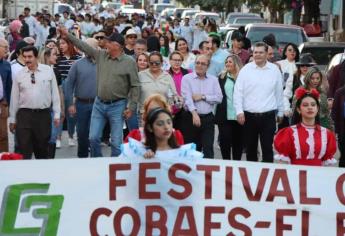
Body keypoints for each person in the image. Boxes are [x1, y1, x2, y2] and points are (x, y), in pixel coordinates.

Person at [58, 27, 140, 157]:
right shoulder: (101, 55)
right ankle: (99, 163)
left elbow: (135, 86)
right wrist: (68, 35)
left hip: (118, 105)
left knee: (116, 142)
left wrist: (131, 107)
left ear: (117, 46)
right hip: (99, 104)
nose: (105, 44)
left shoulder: (129, 62)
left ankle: (115, 168)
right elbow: (83, 46)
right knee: (93, 138)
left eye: (108, 43)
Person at [233, 42, 284, 163]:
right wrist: (239, 112)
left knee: (267, 149)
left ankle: (268, 177)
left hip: (268, 116)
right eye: (255, 52)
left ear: (267, 54)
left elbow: (279, 93)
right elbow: (238, 92)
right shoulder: (246, 70)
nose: (258, 55)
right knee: (250, 150)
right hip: (249, 116)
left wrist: (281, 111)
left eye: (261, 52)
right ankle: (253, 178)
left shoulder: (274, 70)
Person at [9, 46, 60, 159]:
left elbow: (55, 94)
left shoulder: (48, 71)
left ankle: (42, 175)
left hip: (43, 116)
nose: (27, 59)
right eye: (25, 57)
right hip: (24, 116)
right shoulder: (20, 75)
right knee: (24, 150)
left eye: (30, 57)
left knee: (42, 150)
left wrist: (57, 114)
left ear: (36, 57)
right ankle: (24, 175)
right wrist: (13, 119)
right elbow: (14, 98)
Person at [274, 87, 337, 166]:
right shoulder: (289, 132)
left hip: (319, 176)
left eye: (313, 105)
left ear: (317, 109)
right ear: (298, 109)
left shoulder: (327, 134)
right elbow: (283, 165)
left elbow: (328, 168)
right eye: (305, 105)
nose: (310, 107)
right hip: (295, 176)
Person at [181, 54, 223, 159]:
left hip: (208, 118)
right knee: (193, 150)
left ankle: (208, 174)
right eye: (197, 63)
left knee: (208, 149)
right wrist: (194, 113)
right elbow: (187, 98)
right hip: (191, 117)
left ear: (208, 66)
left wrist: (203, 97)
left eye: (203, 64)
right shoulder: (187, 78)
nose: (199, 65)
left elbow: (219, 98)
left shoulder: (213, 80)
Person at [121, 108, 201, 159]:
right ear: (150, 128)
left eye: (169, 122)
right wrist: (144, 161)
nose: (166, 127)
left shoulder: (184, 153)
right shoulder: (140, 151)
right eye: (160, 124)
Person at [65, 38, 98, 158]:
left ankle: (95, 158)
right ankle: (82, 159)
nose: (88, 50)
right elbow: (69, 85)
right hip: (81, 104)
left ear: (97, 48)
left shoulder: (103, 64)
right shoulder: (77, 65)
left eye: (92, 47)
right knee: (82, 133)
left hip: (98, 104)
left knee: (94, 135)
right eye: (86, 47)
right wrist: (70, 104)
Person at [215, 54, 244, 160]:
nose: (227, 63)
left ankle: (236, 163)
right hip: (224, 114)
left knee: (238, 141)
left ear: (236, 63)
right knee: (224, 141)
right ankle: (226, 163)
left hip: (239, 115)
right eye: (226, 62)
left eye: (230, 62)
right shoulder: (221, 77)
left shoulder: (243, 78)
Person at [39, 47, 64, 158]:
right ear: (46, 56)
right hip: (40, 110)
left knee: (53, 137)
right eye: (54, 54)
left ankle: (50, 161)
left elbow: (59, 91)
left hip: (53, 109)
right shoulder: (37, 72)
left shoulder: (56, 71)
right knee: (42, 137)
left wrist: (61, 108)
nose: (56, 57)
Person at [56, 37, 81, 148]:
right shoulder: (57, 58)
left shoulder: (78, 57)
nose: (61, 45)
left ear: (70, 44)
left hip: (74, 85)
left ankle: (71, 136)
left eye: (63, 43)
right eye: (59, 43)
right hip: (60, 85)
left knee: (72, 113)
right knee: (61, 112)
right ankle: (58, 137)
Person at [292, 66, 333, 130]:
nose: (315, 81)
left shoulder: (322, 92)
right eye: (312, 78)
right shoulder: (300, 91)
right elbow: (295, 112)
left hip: (323, 126)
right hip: (306, 126)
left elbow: (326, 113)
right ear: (308, 78)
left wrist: (331, 128)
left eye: (317, 78)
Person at [283, 53, 316, 119]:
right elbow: (285, 95)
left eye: (307, 65)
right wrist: (287, 108)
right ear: (299, 67)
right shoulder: (293, 78)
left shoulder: (316, 78)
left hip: (313, 112)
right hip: (296, 113)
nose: (304, 67)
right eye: (302, 65)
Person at [0, 38, 12, 152]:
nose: (8, 50)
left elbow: (9, 86)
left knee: (3, 134)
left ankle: (3, 157)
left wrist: (7, 103)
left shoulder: (7, 65)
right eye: (5, 47)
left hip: (2, 103)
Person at [332, 85, 345, 167]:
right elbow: (335, 113)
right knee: (344, 157)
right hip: (343, 131)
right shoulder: (339, 92)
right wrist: (336, 131)